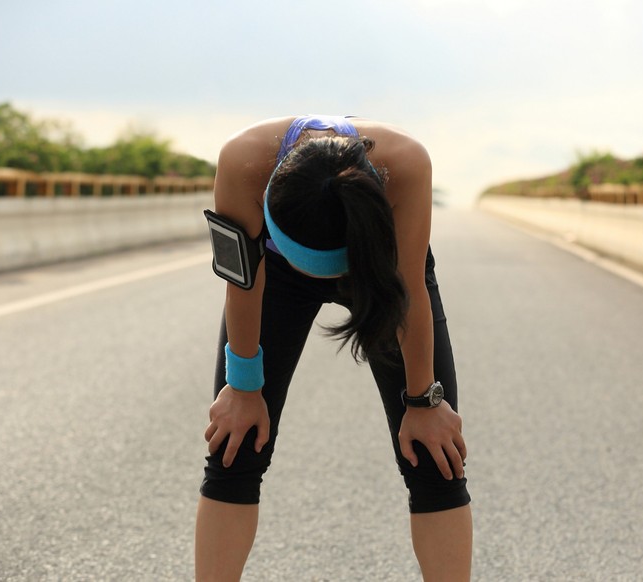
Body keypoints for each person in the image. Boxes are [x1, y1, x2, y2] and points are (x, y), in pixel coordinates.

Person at [195, 115, 472, 581]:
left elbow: (409, 291)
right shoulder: (243, 162)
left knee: (435, 455)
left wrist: (424, 400)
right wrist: (243, 390)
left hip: (378, 270)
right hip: (276, 277)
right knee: (235, 445)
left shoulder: (404, 165)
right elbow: (242, 283)